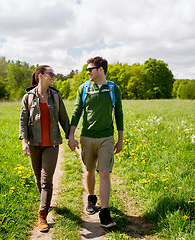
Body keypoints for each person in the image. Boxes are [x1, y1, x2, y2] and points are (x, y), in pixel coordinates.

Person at [68, 56, 124, 228]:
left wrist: (120, 139)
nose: (88, 72)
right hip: (87, 136)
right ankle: (91, 198)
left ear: (101, 70)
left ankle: (105, 213)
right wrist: (71, 135)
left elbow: (119, 114)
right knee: (90, 170)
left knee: (104, 172)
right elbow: (77, 111)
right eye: (87, 70)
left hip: (107, 137)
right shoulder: (84, 88)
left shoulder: (114, 88)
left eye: (90, 69)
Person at [19, 65, 70, 232]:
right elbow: (23, 121)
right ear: (40, 75)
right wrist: (24, 141)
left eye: (54, 74)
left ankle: (42, 214)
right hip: (34, 144)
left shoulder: (55, 96)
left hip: (51, 144)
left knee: (46, 179)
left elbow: (64, 119)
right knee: (37, 178)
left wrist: (72, 137)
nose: (54, 76)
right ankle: (46, 202)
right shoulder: (27, 97)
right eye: (51, 74)